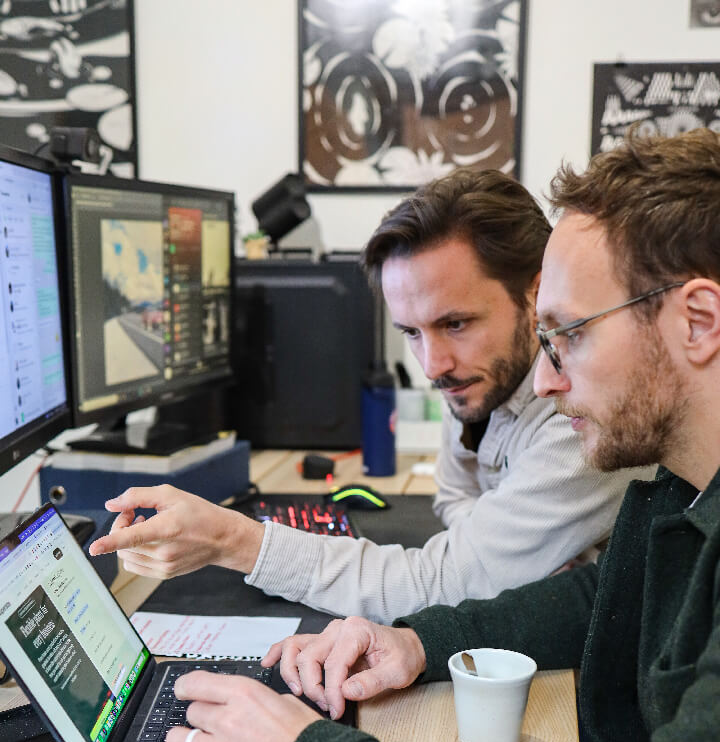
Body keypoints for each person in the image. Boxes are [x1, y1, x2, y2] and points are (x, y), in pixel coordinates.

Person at [158, 128, 720, 742]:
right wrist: (419, 644)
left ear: (698, 321)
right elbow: (598, 604)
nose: (544, 378)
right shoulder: (676, 483)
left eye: (568, 335)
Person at [88, 169, 649, 624]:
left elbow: (441, 584)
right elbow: (452, 495)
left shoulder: (582, 411)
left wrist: (230, 539)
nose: (433, 365)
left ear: (536, 293)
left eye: (455, 323)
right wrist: (501, 548)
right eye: (411, 332)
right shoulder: (485, 375)